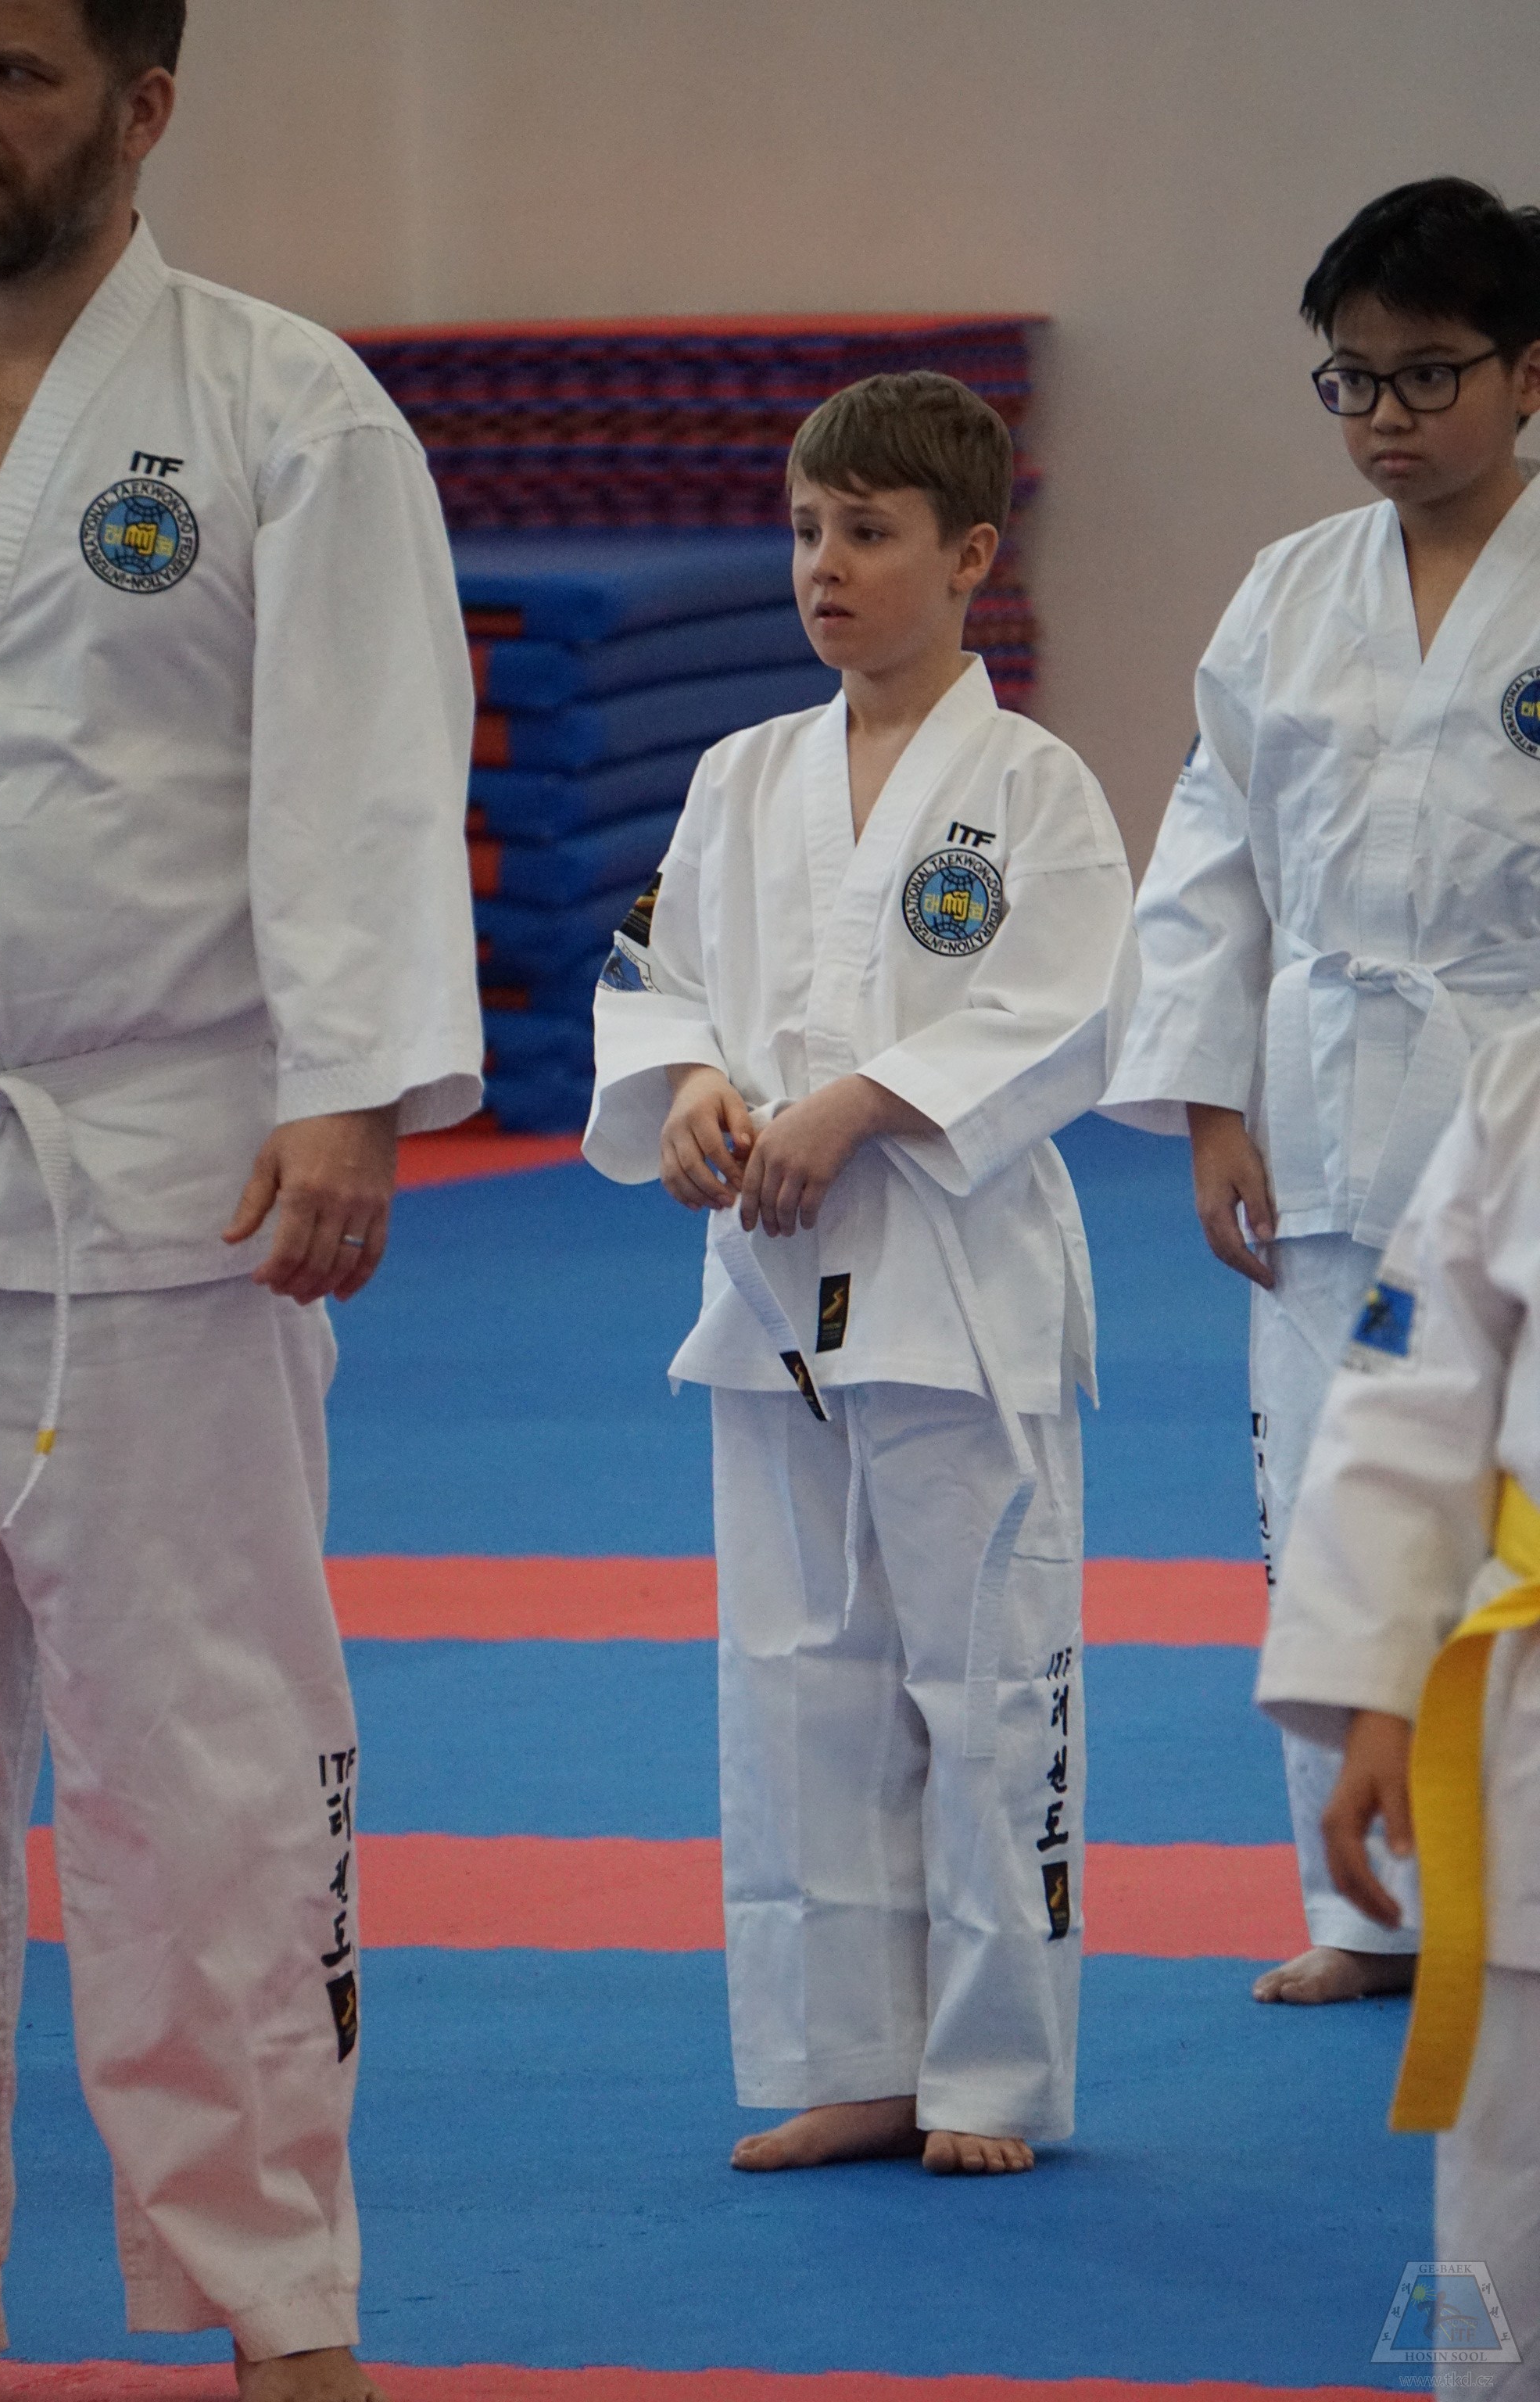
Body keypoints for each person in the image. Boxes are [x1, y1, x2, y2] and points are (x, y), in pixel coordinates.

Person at [0, 6, 482, 2400]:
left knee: (206, 1769)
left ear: (142, 107)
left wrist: (351, 1087)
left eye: (13, 70)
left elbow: (370, 759)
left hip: (166, 1178)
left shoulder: (283, 406)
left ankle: (281, 2312)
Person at [586, 371, 1137, 2177]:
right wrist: (688, 1087)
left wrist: (863, 1103)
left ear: (969, 556)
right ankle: (852, 2059)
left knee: (984, 1685)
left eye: (869, 533)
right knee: (796, 1679)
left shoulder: (1033, 787)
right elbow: (653, 980)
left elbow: (1070, 1008)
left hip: (955, 1293)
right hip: (769, 1300)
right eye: (806, 530)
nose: (824, 565)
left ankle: (989, 2072)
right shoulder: (741, 775)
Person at [1101, 177, 1540, 2006]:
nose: (1383, 417)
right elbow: (1208, 855)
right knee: (1325, 1503)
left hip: (1519, 1095)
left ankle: (1516, 1898)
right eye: (1350, 380)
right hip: (1317, 1103)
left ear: (1526, 373)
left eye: (1426, 374)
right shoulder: (1287, 592)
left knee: (1513, 1505)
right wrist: (1209, 1100)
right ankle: (1366, 1911)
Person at [1257, 1023, 1540, 2393]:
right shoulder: (1524, 1084)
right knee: (1509, 2169)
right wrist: (1376, 1689)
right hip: (1531, 1719)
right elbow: (1410, 1399)